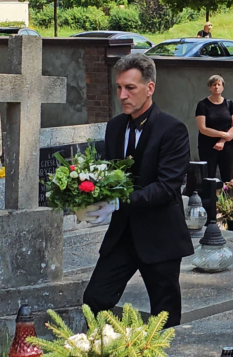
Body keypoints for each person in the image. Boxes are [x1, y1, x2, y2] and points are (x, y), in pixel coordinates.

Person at [83, 54, 194, 327]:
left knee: (165, 318)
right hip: (122, 235)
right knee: (94, 301)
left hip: (160, 235)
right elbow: (111, 176)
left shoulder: (173, 130)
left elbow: (167, 188)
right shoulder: (115, 127)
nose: (122, 95)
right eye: (119, 87)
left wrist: (118, 202)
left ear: (150, 88)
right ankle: (106, 350)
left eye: (130, 88)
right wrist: (91, 196)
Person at [194, 74, 233, 181]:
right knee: (208, 176)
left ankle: (226, 193)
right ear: (209, 87)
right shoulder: (202, 105)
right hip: (208, 146)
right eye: (214, 85)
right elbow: (203, 128)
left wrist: (222, 141)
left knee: (227, 176)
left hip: (227, 146)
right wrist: (223, 134)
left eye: (219, 84)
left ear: (223, 87)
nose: (216, 87)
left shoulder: (229, 104)